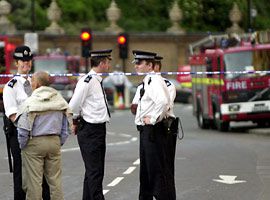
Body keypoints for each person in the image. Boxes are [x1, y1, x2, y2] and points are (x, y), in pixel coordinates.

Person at [3, 45, 50, 200]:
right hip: (20, 135)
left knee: (42, 175)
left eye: (28, 60)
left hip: (39, 134)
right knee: (21, 175)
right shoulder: (11, 86)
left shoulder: (36, 82)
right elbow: (12, 115)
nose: (26, 64)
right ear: (16, 63)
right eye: (22, 61)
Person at [15, 71, 72, 200]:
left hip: (34, 144)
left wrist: (23, 145)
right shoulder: (59, 100)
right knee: (55, 181)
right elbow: (65, 127)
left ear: (38, 84)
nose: (31, 82)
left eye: (33, 80)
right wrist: (58, 142)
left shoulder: (30, 102)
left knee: (34, 182)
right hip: (54, 142)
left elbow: (23, 128)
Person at [132, 50, 175, 200]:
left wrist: (153, 119)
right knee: (146, 173)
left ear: (150, 65)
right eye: (136, 63)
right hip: (146, 131)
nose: (136, 66)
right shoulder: (148, 79)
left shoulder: (154, 81)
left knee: (155, 171)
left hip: (152, 131)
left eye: (139, 63)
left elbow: (163, 102)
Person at [69, 49, 112, 200]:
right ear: (101, 63)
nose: (108, 66)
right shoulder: (87, 81)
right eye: (107, 62)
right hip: (90, 130)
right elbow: (73, 105)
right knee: (95, 172)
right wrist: (75, 121)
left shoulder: (96, 81)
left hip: (99, 129)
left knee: (93, 171)